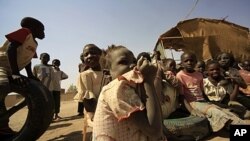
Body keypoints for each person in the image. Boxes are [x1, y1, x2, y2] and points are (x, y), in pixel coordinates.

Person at [92, 45, 164, 140]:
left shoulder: (133, 87)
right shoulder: (117, 88)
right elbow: (154, 132)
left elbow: (157, 119)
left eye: (134, 61)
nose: (132, 66)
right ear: (107, 73)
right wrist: (148, 80)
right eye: (123, 62)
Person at [176, 52, 245, 132]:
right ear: (181, 63)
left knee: (227, 112)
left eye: (191, 60)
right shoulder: (180, 75)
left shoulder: (199, 75)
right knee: (215, 112)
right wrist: (191, 110)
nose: (189, 62)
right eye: (186, 61)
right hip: (191, 102)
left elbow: (202, 92)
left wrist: (210, 102)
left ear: (195, 62)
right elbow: (181, 96)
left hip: (203, 101)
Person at [0, 17, 45, 138]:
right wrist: (15, 73)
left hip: (10, 69)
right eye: (42, 30)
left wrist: (30, 75)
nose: (44, 33)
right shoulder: (25, 32)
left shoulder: (34, 43)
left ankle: (2, 127)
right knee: (2, 86)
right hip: (2, 65)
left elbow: (28, 60)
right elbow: (11, 48)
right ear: (33, 28)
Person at [74, 44, 104, 127]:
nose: (89, 56)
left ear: (101, 55)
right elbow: (88, 99)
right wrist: (94, 117)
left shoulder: (108, 72)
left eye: (93, 53)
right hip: (96, 113)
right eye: (86, 55)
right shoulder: (85, 75)